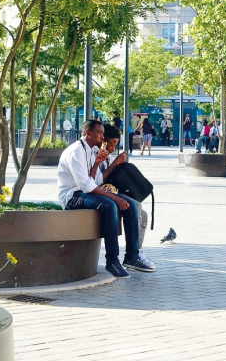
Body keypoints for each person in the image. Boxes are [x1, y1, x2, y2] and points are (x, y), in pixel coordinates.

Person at [57, 119, 155, 279]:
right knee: (110, 205)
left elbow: (93, 180)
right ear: (88, 133)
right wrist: (114, 198)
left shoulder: (91, 150)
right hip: (71, 196)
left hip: (86, 192)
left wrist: (97, 163)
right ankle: (112, 260)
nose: (103, 137)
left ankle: (132, 255)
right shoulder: (77, 151)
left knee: (130, 204)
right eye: (100, 133)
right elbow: (85, 184)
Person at [95, 124, 156, 270]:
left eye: (115, 144)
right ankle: (131, 255)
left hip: (111, 191)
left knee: (144, 215)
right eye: (111, 144)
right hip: (100, 193)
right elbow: (97, 181)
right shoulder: (97, 155)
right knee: (135, 205)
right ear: (104, 140)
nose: (112, 148)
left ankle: (137, 251)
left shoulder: (108, 156)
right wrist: (116, 162)